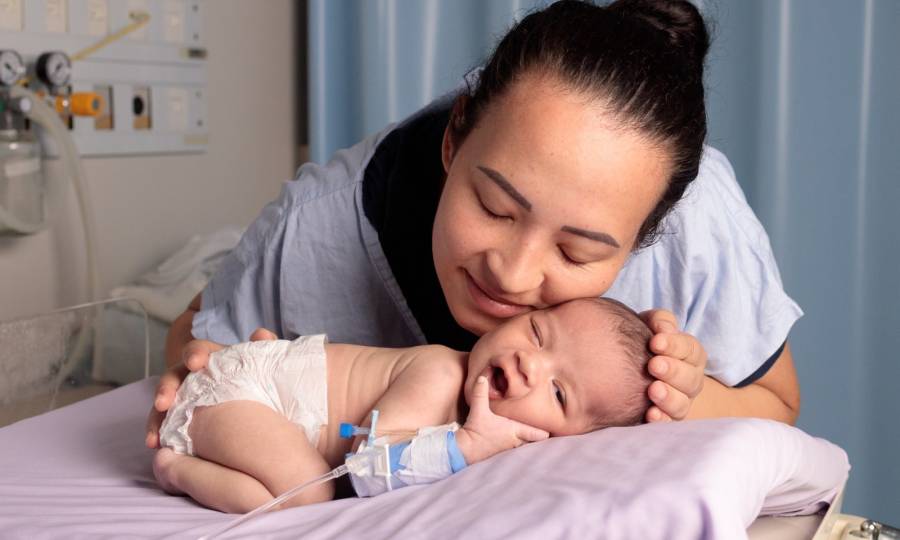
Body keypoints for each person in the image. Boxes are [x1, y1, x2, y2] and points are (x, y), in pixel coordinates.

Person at [146, 0, 802, 459]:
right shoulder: (315, 227)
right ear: (455, 138)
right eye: (494, 208)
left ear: (648, 235)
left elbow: (778, 402)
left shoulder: (698, 218)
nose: (512, 274)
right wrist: (191, 366)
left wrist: (678, 397)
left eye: (576, 252)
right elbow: (195, 330)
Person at [153, 298, 654, 512]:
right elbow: (366, 467)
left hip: (262, 408)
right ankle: (177, 469)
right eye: (538, 333)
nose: (530, 364)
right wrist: (464, 446)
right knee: (309, 494)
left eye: (559, 392)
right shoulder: (441, 373)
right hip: (240, 392)